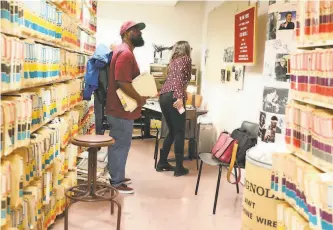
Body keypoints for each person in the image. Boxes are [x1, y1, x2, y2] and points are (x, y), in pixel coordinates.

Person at [105, 21, 147, 194]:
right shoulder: (125, 53)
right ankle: (116, 182)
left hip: (120, 109)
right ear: (126, 33)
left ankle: (117, 174)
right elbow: (123, 82)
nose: (139, 32)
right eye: (135, 30)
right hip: (121, 109)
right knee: (120, 145)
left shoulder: (123, 51)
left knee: (119, 144)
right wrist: (140, 98)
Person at [156, 41, 192, 177]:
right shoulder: (186, 59)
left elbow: (177, 78)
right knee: (180, 132)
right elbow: (181, 79)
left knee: (172, 130)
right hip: (174, 96)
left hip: (164, 96)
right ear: (187, 49)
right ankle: (179, 168)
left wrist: (181, 93)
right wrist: (179, 97)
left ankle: (162, 162)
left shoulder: (172, 61)